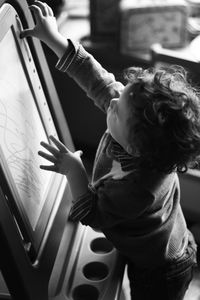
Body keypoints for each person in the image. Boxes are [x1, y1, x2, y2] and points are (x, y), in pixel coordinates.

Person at [20, 2, 199, 299]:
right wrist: (53, 38)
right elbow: (98, 80)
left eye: (118, 109)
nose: (114, 101)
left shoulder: (137, 188)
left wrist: (74, 170)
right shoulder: (135, 120)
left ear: (133, 147)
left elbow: (95, 215)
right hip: (155, 240)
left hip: (160, 268)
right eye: (125, 91)